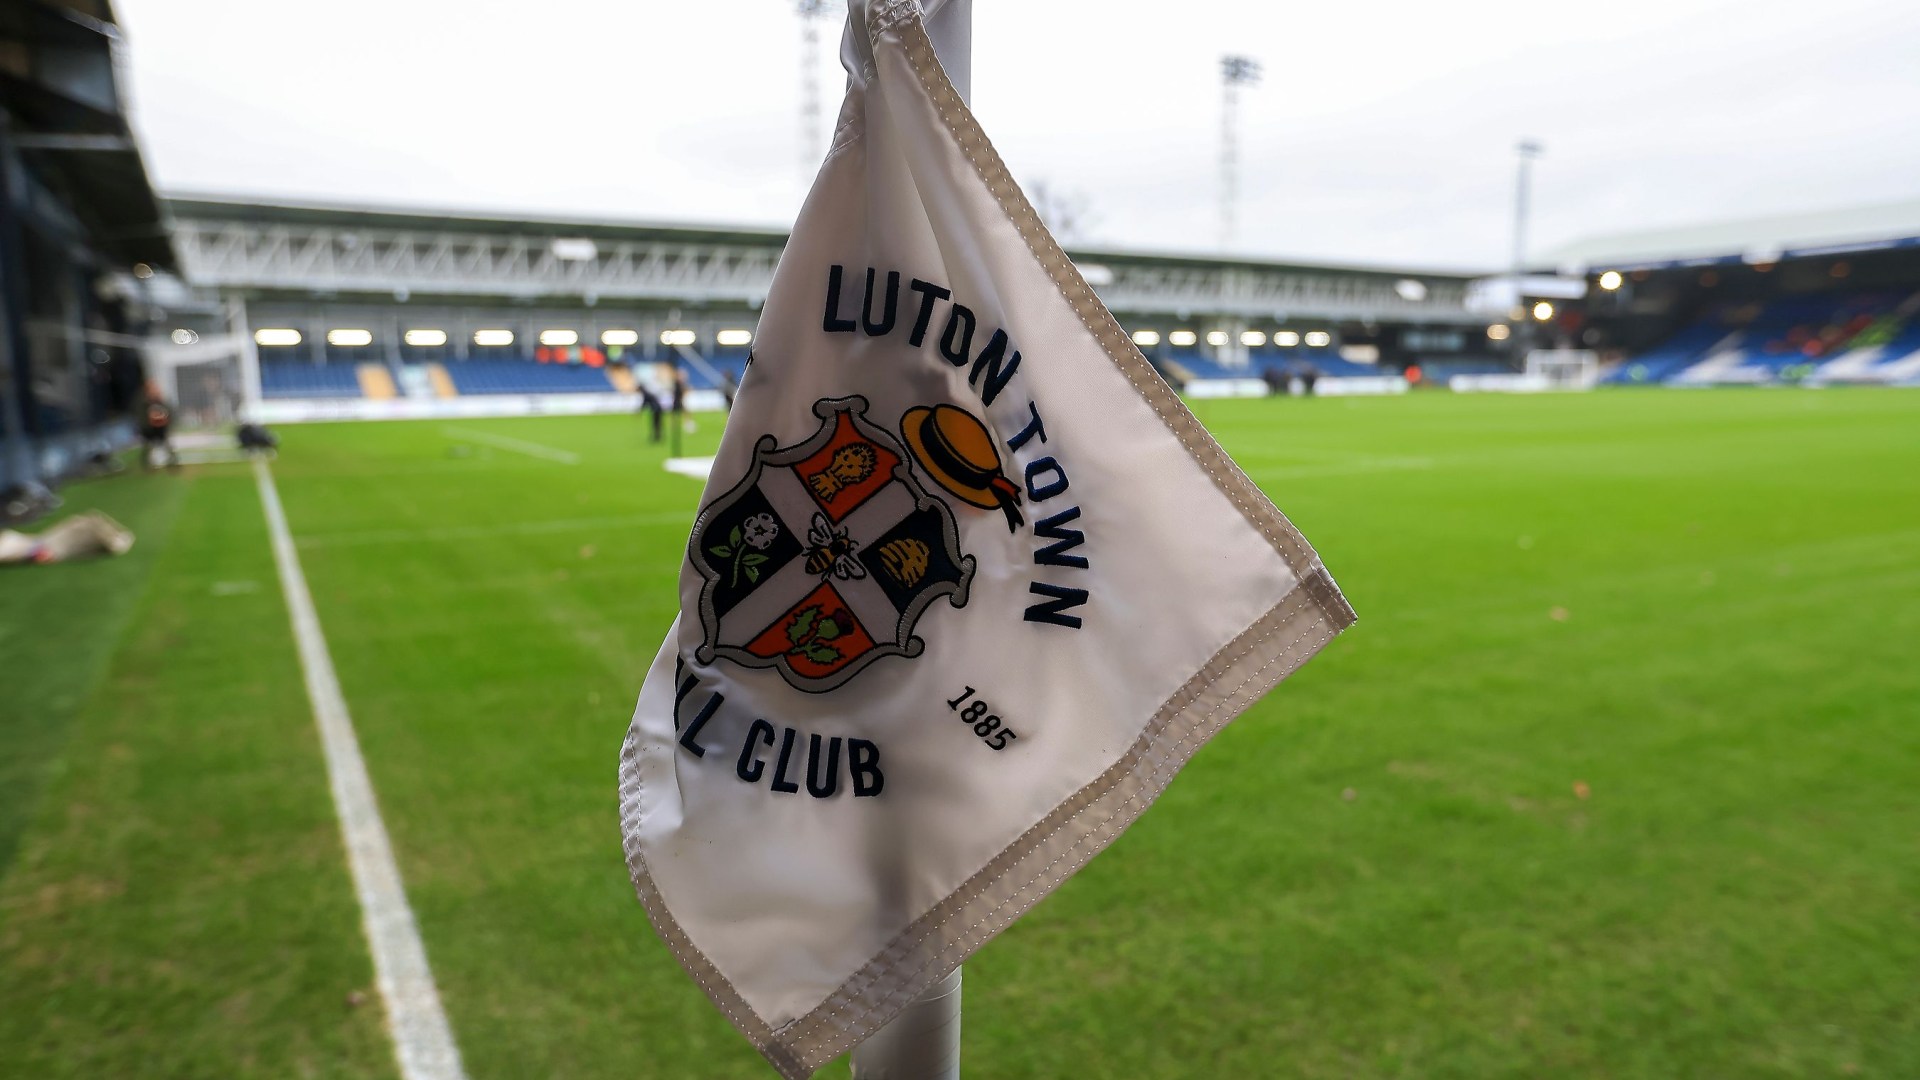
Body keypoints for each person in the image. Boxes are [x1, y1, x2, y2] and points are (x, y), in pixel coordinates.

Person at [140, 389, 178, 471]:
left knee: (167, 446)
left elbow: (169, 415)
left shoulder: (163, 404)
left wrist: (166, 424)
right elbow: (142, 418)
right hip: (150, 430)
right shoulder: (144, 405)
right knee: (148, 447)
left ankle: (172, 462)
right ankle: (148, 465)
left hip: (161, 429)